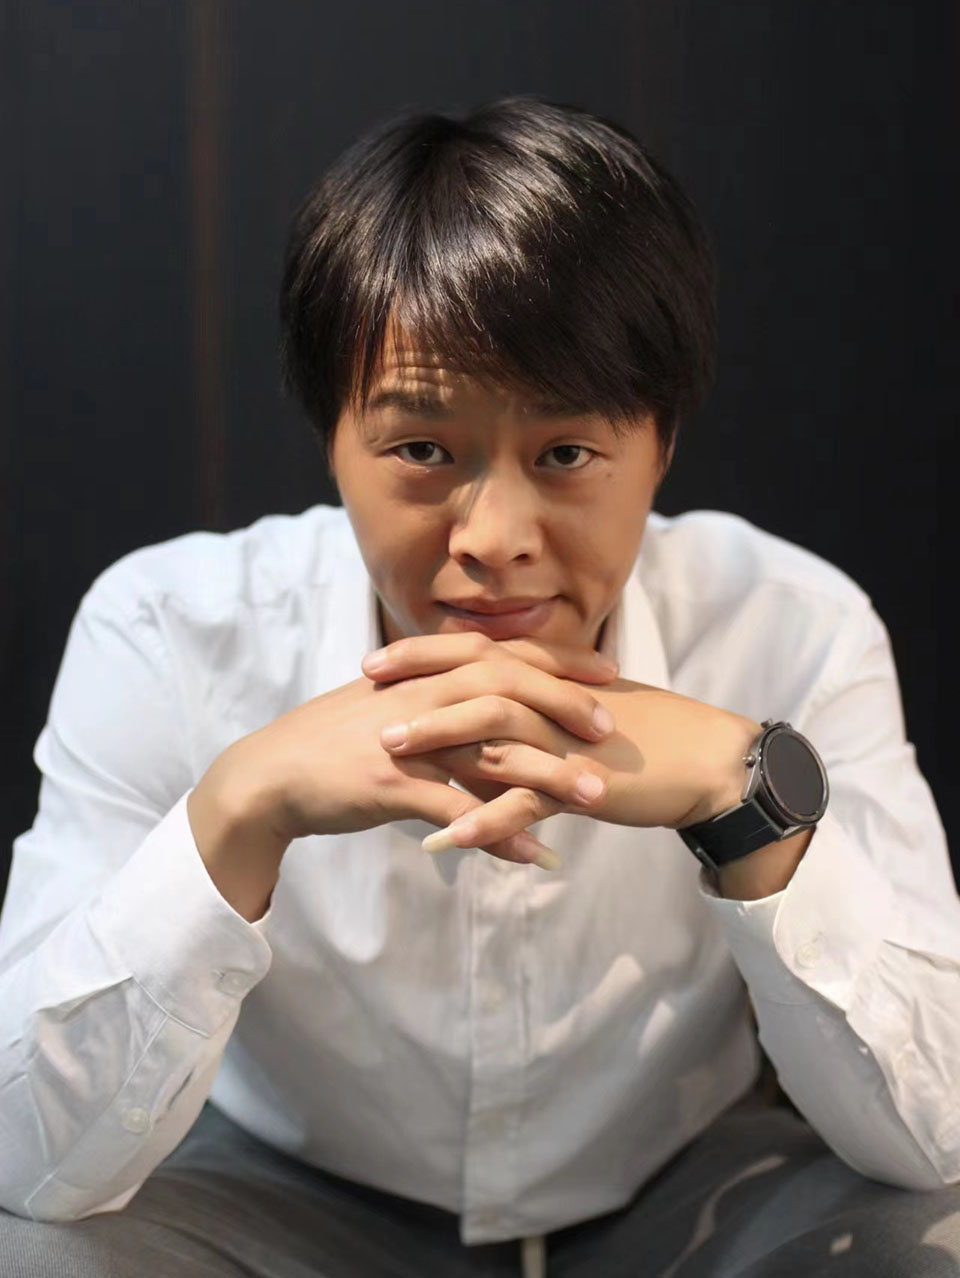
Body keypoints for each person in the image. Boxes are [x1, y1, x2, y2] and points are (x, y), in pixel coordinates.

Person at [0, 94, 958, 1278]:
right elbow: (25, 1159)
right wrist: (240, 809)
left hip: (677, 1195)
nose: (495, 539)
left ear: (661, 443)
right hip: (283, 1203)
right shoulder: (166, 631)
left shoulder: (793, 625)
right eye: (421, 450)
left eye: (566, 453)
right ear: (331, 437)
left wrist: (739, 794)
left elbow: (939, 1138)